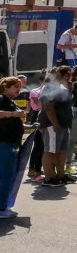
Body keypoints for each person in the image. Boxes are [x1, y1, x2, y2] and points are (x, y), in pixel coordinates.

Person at [38, 66, 74, 187]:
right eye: (64, 74)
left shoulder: (62, 87)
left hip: (63, 124)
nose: (67, 76)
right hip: (51, 124)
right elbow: (48, 107)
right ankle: (49, 177)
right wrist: (55, 123)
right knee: (50, 150)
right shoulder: (49, 87)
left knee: (61, 151)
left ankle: (60, 175)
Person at [0, 76, 27, 218]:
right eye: (15, 86)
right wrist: (14, 114)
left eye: (19, 86)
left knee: (7, 175)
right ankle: (2, 208)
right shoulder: (2, 99)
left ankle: (3, 206)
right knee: (6, 175)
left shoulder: (9, 101)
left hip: (10, 142)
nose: (19, 89)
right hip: (5, 143)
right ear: (6, 87)